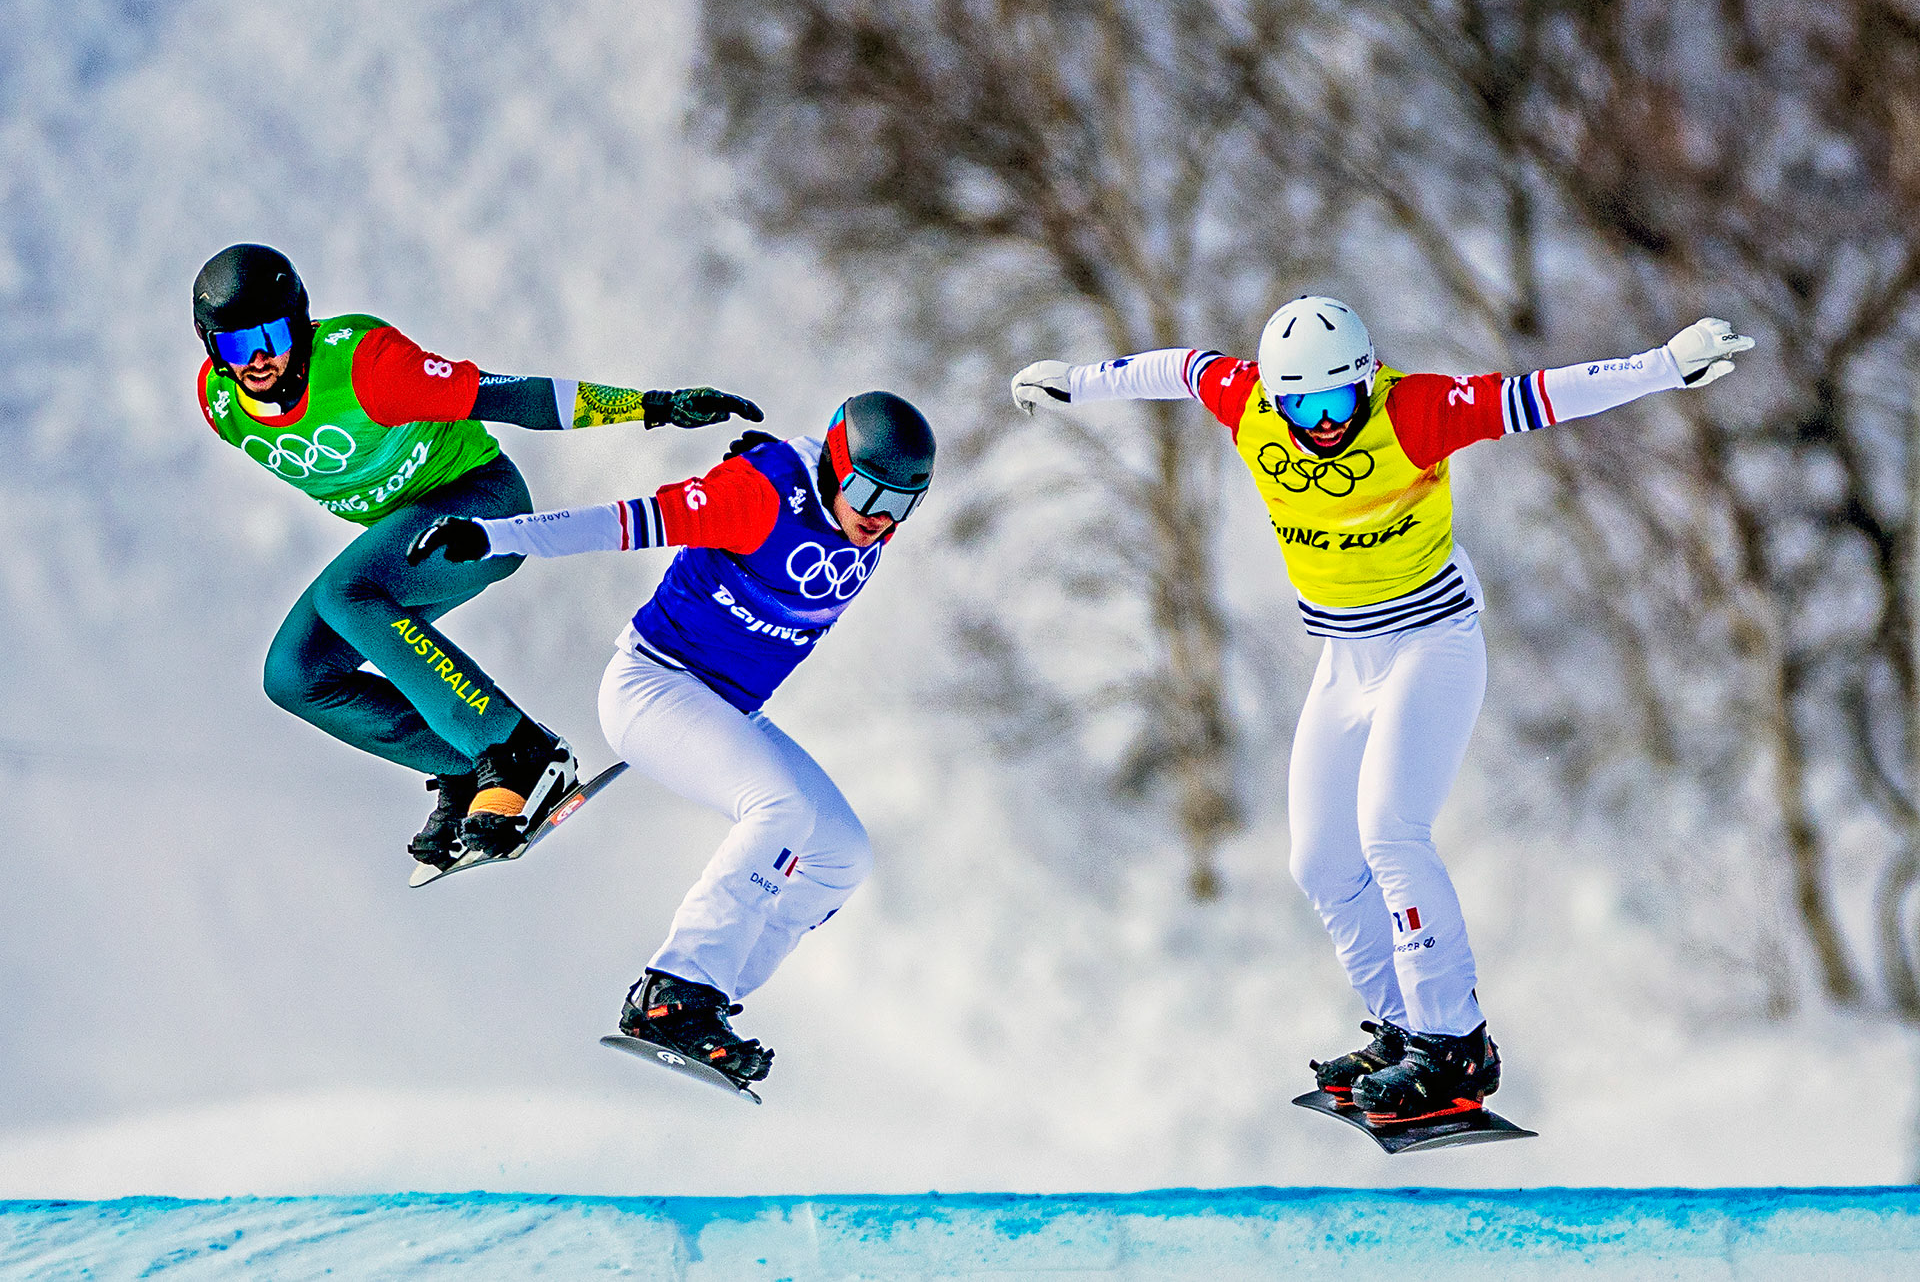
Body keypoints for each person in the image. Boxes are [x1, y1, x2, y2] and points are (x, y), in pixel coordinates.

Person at [1010, 299, 1752, 1125]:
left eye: (1336, 404)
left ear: (1366, 383)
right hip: (1345, 660)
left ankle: (1454, 1042)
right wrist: (1077, 383)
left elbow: (1544, 393)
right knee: (1319, 861)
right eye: (1302, 408)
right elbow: (1178, 368)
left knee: (1390, 833)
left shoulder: (1414, 412)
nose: (1320, 425)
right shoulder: (1250, 399)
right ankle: (1405, 1028)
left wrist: (1662, 364)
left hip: (1431, 643)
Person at [407, 390, 936, 1088]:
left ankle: (708, 998)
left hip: (726, 708)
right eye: (868, 491)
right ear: (839, 467)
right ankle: (674, 991)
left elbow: (826, 474)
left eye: (901, 506)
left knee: (840, 853)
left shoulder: (853, 507)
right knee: (780, 809)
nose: (877, 518)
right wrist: (494, 534)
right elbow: (617, 523)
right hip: (652, 687)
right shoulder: (758, 494)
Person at [192, 242, 762, 869]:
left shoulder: (369, 369)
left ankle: (517, 752)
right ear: (212, 349)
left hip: (480, 507)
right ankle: (466, 768)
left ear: (300, 321)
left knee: (344, 595)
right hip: (411, 535)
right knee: (295, 676)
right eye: (237, 347)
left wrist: (652, 406)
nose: (261, 359)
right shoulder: (222, 406)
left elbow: (509, 397)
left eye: (273, 334)